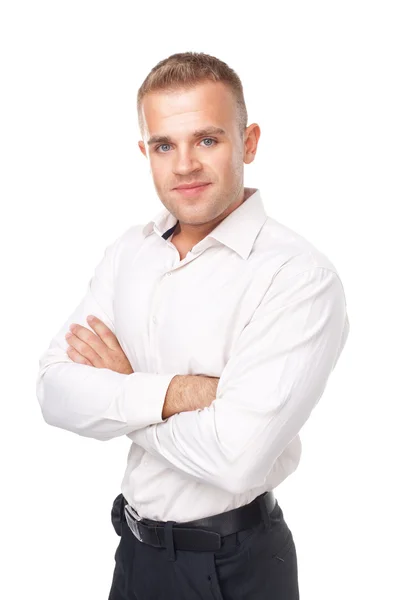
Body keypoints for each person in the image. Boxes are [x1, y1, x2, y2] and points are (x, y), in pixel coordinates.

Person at [36, 51, 350, 600]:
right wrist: (178, 393)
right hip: (134, 555)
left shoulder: (298, 276)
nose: (184, 165)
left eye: (207, 140)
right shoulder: (128, 254)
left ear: (248, 142)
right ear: (145, 152)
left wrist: (118, 392)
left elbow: (234, 458)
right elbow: (53, 393)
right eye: (164, 145)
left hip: (233, 567)